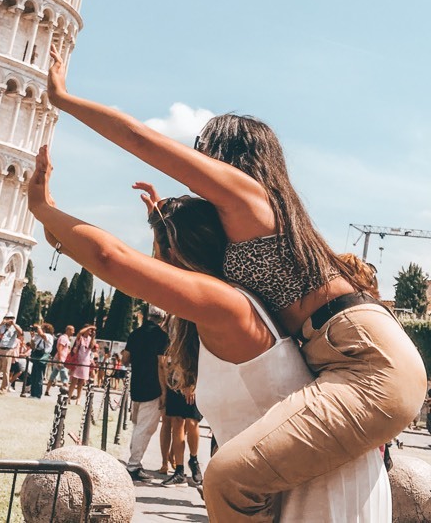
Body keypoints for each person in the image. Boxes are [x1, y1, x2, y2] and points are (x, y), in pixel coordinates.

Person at [41, 46, 427, 519]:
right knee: (233, 478)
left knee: (225, 479)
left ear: (228, 154)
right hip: (347, 352)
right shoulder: (254, 219)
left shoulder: (249, 197)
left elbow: (143, 141)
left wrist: (64, 99)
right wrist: (169, 224)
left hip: (366, 360)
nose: (196, 156)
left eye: (203, 146)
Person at [28, 148, 395, 522]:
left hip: (323, 496)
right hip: (292, 489)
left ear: (174, 254)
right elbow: (110, 263)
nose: (151, 265)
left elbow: (111, 259)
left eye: (157, 253)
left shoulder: (228, 307)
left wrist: (41, 208)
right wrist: (161, 227)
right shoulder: (218, 309)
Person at [121, 305, 169, 481]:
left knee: (137, 424)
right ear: (162, 319)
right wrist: (164, 391)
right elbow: (161, 364)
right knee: (145, 427)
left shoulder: (135, 334)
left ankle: (134, 461)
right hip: (153, 386)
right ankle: (133, 465)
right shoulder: (162, 337)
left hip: (137, 383)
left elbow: (125, 359)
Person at [0, 314, 21, 394]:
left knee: (6, 370)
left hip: (8, 349)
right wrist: (1, 323)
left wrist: (13, 324)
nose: (8, 320)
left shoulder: (15, 327)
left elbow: (20, 333)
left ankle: (4, 388)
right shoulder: (2, 326)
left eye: (9, 318)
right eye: (6, 318)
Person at [67, 325, 95, 404]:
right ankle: (69, 397)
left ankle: (78, 398)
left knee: (81, 382)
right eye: (89, 330)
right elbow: (79, 333)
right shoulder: (80, 338)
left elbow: (91, 346)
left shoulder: (90, 339)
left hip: (86, 362)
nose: (90, 332)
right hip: (77, 361)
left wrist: (93, 337)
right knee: (74, 380)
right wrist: (89, 327)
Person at [45, 324, 74, 396]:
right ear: (67, 330)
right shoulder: (63, 338)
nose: (73, 332)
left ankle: (47, 390)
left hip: (61, 359)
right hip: (61, 359)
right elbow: (60, 348)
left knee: (53, 375)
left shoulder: (67, 339)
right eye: (72, 330)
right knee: (64, 375)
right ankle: (68, 393)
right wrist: (60, 359)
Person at [29, 322, 54, 398]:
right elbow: (33, 347)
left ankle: (38, 394)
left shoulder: (49, 336)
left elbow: (43, 336)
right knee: (34, 375)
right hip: (37, 355)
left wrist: (38, 327)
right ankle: (32, 393)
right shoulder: (38, 336)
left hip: (43, 356)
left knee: (39, 376)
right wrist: (32, 338)